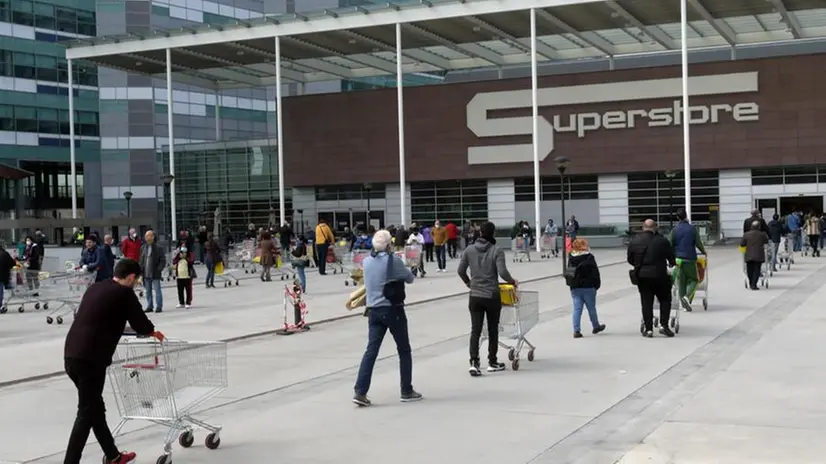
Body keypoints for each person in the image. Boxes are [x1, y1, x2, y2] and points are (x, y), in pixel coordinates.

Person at [62, 258, 164, 464]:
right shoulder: (124, 293)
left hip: (71, 354)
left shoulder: (95, 288)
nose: (136, 285)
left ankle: (114, 457)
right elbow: (141, 324)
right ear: (132, 277)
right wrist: (153, 332)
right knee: (86, 413)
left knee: (94, 409)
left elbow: (95, 318)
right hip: (91, 359)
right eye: (136, 281)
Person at [353, 230, 421, 406]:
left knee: (371, 351)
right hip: (392, 309)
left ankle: (360, 391)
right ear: (388, 245)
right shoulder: (394, 261)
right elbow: (410, 278)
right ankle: (406, 389)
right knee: (404, 350)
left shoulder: (367, 262)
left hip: (373, 310)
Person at [457, 221, 517, 376]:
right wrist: (512, 281)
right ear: (493, 233)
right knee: (492, 329)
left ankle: (474, 362)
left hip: (475, 295)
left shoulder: (469, 250)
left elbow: (460, 270)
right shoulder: (496, 250)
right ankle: (492, 361)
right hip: (491, 295)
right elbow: (502, 272)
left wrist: (468, 283)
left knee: (475, 330)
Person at [627, 219, 676, 338]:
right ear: (655, 228)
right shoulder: (662, 241)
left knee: (646, 302)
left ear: (643, 227)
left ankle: (648, 329)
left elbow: (630, 259)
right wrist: (670, 264)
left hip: (643, 276)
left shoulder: (635, 241)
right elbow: (672, 259)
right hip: (660, 276)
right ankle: (664, 325)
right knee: (665, 300)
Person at [566, 238, 606, 338]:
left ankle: (576, 330)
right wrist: (597, 285)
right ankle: (595, 326)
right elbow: (595, 272)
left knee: (577, 309)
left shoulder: (571, 258)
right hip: (589, 286)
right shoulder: (589, 257)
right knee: (591, 308)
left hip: (575, 287)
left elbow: (569, 273)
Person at [669, 209, 707, 312]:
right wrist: (704, 251)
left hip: (678, 260)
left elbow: (670, 244)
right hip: (689, 258)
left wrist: (670, 258)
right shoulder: (692, 229)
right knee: (694, 279)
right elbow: (698, 243)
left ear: (677, 218)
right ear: (686, 216)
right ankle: (686, 297)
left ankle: (684, 304)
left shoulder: (674, 230)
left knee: (681, 282)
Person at [140, 230, 167, 313]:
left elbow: (163, 260)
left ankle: (159, 306)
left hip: (155, 273)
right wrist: (140, 272)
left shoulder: (159, 248)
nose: (147, 238)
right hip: (146, 273)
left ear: (153, 237)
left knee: (157, 290)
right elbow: (141, 261)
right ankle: (150, 306)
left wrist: (159, 269)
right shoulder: (143, 247)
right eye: (146, 236)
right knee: (148, 291)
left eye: (149, 236)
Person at [741, 220, 769, 290]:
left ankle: (751, 282)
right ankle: (754, 284)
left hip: (748, 254)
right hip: (758, 255)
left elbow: (742, 244)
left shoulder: (746, 234)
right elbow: (766, 241)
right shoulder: (763, 234)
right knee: (757, 270)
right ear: (759, 227)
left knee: (749, 269)